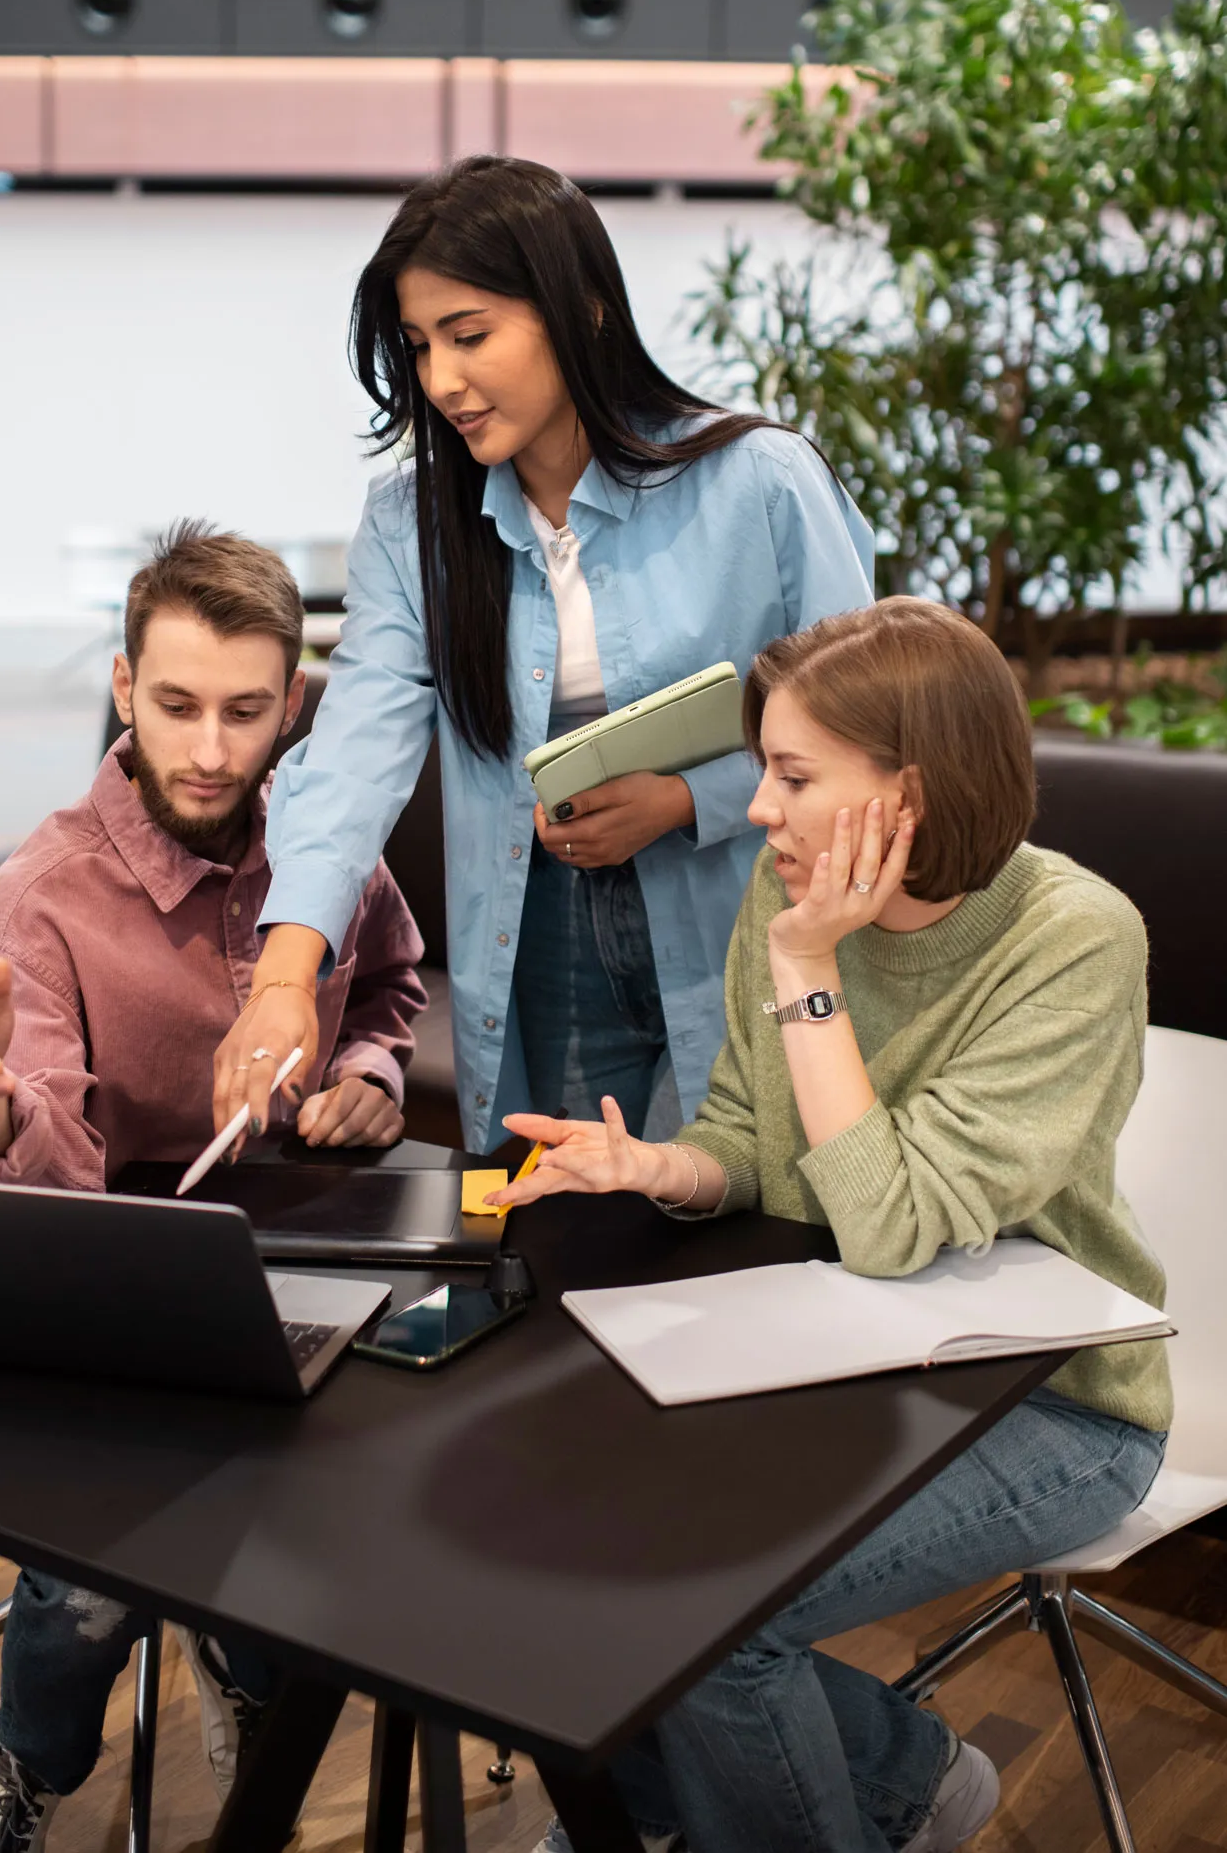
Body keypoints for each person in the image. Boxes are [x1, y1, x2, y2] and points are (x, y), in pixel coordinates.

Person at [494, 596, 1170, 1853]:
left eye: (793, 777)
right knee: (586, 1542)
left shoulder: (1075, 937)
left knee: (718, 1627)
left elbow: (891, 1224)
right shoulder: (786, 881)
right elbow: (753, 1139)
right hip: (842, 1348)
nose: (757, 812)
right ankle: (853, 1788)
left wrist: (810, 970)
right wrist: (655, 1166)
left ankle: (845, 1798)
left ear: (904, 794)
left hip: (1054, 1402)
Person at [0, 521, 426, 1852]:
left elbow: (383, 979)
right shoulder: (45, 896)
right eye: (178, 704)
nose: (209, 748)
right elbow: (46, 1176)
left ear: (292, 706)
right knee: (94, 1547)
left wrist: (370, 1062)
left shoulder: (321, 847)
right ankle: (32, 1765)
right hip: (109, 1278)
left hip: (291, 1261)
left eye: (247, 711)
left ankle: (249, 1678)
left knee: (320, 1494)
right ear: (125, 684)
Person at [212, 155, 874, 1157]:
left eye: (470, 335)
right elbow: (350, 759)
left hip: (756, 919)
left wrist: (687, 801)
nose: (441, 381)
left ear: (585, 310)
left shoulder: (761, 485)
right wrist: (281, 983)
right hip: (542, 939)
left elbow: (868, 733)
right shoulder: (413, 528)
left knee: (745, 1224)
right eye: (418, 345)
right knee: (573, 1239)